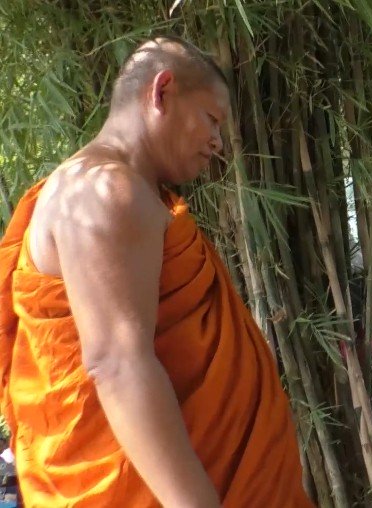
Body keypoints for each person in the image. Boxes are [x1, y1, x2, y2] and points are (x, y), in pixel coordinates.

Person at [0, 36, 313, 507]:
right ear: (162, 91)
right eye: (212, 120)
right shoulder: (103, 191)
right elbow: (118, 365)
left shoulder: (137, 196)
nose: (217, 142)